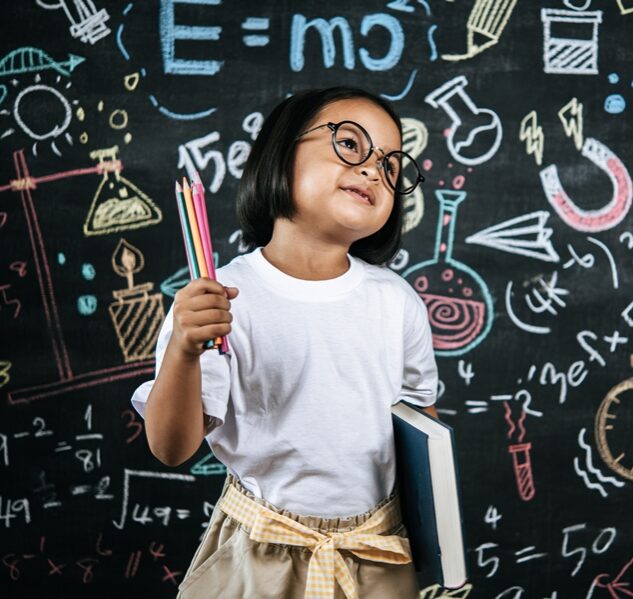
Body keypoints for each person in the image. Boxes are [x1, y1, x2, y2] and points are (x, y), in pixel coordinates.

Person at [130, 87, 438, 599]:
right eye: (350, 143)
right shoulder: (221, 298)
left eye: (390, 165)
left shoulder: (398, 301)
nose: (372, 170)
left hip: (376, 547)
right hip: (260, 549)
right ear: (279, 152)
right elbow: (171, 447)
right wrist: (184, 349)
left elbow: (421, 428)